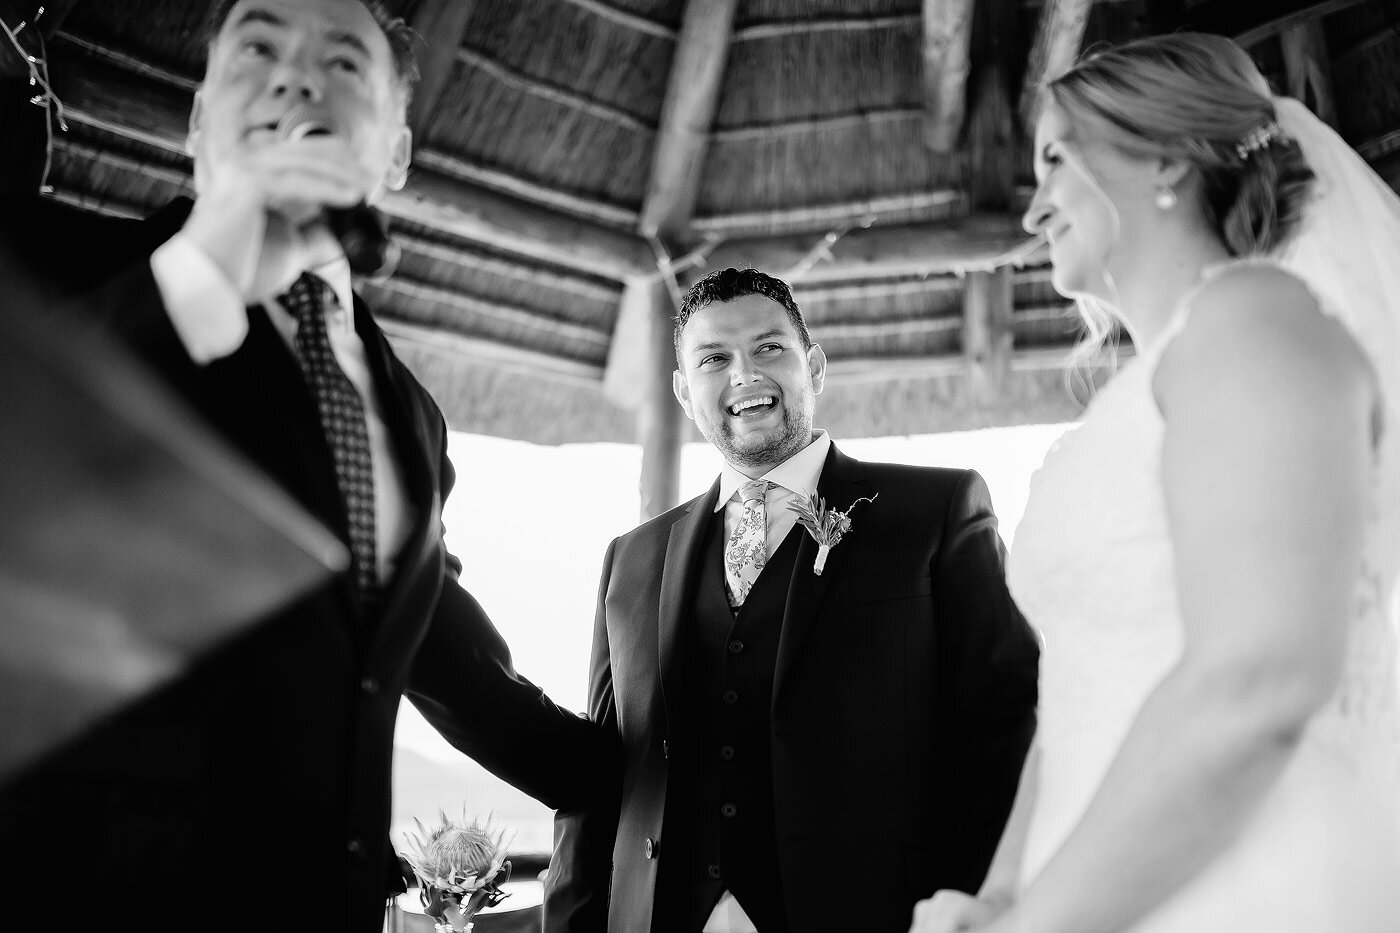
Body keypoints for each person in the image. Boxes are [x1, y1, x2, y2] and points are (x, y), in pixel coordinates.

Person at [0, 1, 612, 930]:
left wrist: (653, 772)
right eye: (258, 45)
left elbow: (450, 665)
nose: (295, 76)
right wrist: (210, 266)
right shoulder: (42, 275)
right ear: (202, 116)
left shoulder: (414, 415)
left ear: (395, 154)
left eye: (343, 60)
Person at [911, 32, 1400, 933]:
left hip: (1244, 884)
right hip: (1102, 886)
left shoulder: (1256, 321)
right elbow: (1072, 702)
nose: (1032, 210)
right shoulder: (1140, 396)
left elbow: (1260, 673)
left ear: (1167, 154)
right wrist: (1001, 895)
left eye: (1056, 157)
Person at [542, 267, 1041, 933]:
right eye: (714, 358)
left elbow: (1003, 731)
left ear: (815, 367)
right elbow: (600, 784)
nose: (744, 374)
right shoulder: (630, 560)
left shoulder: (938, 511)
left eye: (769, 348)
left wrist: (973, 911)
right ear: (685, 393)